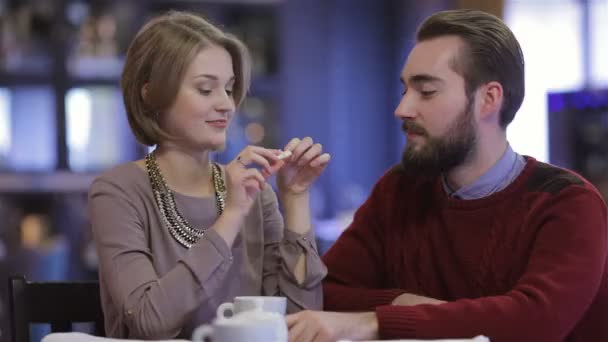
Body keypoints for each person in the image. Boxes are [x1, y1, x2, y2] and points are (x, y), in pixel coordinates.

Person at [286, 9, 608, 342]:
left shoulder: (568, 203)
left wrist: (377, 322)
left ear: (488, 99)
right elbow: (327, 291)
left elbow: (534, 321)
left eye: (426, 92)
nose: (403, 109)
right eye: (405, 90)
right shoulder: (399, 190)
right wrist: (400, 302)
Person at [88, 11, 329, 339]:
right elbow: (149, 321)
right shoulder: (117, 192)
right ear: (150, 94)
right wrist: (231, 215)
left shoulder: (256, 193)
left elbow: (300, 324)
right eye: (205, 89)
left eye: (229, 89)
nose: (226, 105)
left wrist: (297, 198)